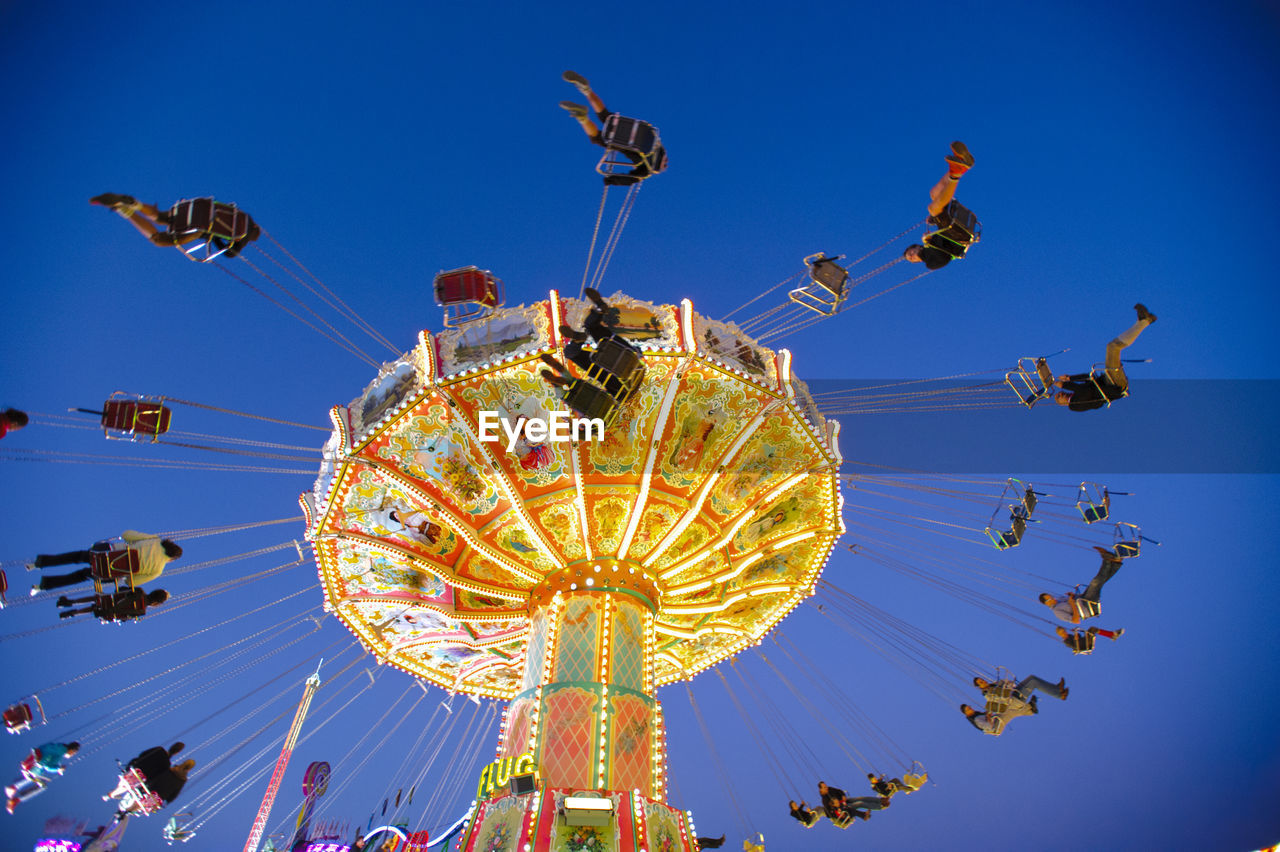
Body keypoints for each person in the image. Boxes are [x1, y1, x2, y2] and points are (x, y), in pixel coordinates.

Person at [559, 71, 665, 186]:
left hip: (631, 127)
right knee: (597, 138)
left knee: (605, 115)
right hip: (624, 141)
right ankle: (582, 117)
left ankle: (586, 90)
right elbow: (630, 179)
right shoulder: (647, 169)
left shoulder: (657, 145)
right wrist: (612, 180)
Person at [1051, 304, 1157, 410]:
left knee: (1112, 346)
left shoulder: (1076, 394)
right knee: (1113, 347)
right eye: (1058, 397)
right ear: (1062, 404)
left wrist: (1070, 378)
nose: (1061, 394)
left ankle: (1144, 321)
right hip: (1114, 385)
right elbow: (1085, 391)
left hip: (1108, 380)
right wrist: (1065, 385)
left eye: (1059, 393)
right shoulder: (1074, 405)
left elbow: (1087, 377)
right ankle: (1144, 321)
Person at [90, 193, 260, 258]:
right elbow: (230, 253)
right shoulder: (244, 236)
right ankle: (124, 209)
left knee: (161, 217)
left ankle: (136, 204)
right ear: (253, 235)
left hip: (197, 207)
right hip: (199, 227)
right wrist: (213, 237)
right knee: (160, 239)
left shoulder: (244, 216)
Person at [30, 531, 182, 592]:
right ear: (171, 559)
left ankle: (40, 562)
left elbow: (126, 534)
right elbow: (131, 583)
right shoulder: (157, 570)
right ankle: (42, 586)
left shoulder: (154, 540)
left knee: (78, 556)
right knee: (80, 576)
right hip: (107, 572)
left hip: (106, 554)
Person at [903, 141, 976, 270]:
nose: (912, 255)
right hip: (958, 237)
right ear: (917, 262)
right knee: (933, 208)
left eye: (911, 252)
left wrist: (932, 221)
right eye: (911, 258)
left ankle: (961, 165)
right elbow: (944, 257)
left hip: (950, 229)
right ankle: (956, 172)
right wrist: (930, 242)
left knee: (934, 193)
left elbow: (941, 230)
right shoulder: (930, 263)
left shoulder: (931, 241)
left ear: (917, 246)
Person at [1039, 546, 1126, 624]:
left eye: (1051, 596)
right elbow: (1076, 621)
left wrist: (1072, 596)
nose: (1052, 598)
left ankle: (1115, 563)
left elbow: (1072, 600)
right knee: (1095, 583)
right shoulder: (1057, 611)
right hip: (1087, 606)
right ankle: (1107, 560)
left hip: (1082, 598)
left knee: (1099, 583)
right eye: (1050, 599)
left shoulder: (1060, 600)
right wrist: (1072, 603)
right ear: (1046, 604)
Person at [4, 741, 80, 813]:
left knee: (35, 778)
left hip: (33, 762)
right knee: (42, 786)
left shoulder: (58, 746)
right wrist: (58, 768)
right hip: (36, 766)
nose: (72, 755)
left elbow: (46, 754)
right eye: (73, 753)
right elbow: (48, 766)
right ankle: (16, 797)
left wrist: (57, 768)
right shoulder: (61, 751)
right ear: (72, 750)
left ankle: (14, 788)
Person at [105, 743, 184, 801]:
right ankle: (112, 794)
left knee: (126, 782)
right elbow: (156, 776)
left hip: (136, 767)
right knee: (130, 784)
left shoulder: (159, 749)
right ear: (177, 753)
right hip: (142, 777)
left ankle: (112, 794)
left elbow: (143, 754)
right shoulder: (167, 765)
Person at [124, 758, 195, 813]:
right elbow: (176, 792)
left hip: (151, 787)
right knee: (145, 804)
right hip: (159, 796)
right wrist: (168, 801)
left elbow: (158, 776)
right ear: (189, 769)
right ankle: (129, 811)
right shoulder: (182, 780)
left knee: (141, 796)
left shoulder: (171, 769)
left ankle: (128, 808)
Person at [57, 588, 169, 621]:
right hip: (107, 613)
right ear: (157, 603)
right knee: (98, 606)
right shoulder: (142, 611)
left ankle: (71, 602)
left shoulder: (140, 591)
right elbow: (126, 615)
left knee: (97, 599)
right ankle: (73, 613)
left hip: (109, 600)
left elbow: (122, 591)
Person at [817, 781, 887, 821]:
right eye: (824, 787)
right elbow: (829, 813)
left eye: (826, 786)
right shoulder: (824, 800)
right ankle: (880, 806)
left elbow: (839, 791)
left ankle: (880, 800)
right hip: (842, 807)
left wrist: (843, 795)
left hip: (844, 801)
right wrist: (838, 812)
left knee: (861, 798)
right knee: (860, 803)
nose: (826, 788)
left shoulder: (830, 789)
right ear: (821, 790)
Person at [1057, 624, 1124, 653]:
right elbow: (1075, 646)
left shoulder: (1069, 635)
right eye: (1063, 632)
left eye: (1064, 631)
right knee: (1092, 629)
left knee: (1092, 629)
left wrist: (1076, 633)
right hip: (1084, 644)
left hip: (1084, 641)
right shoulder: (1066, 641)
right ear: (1060, 635)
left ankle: (1111, 635)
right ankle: (1112, 635)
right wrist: (1075, 635)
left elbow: (1079, 636)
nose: (1065, 632)